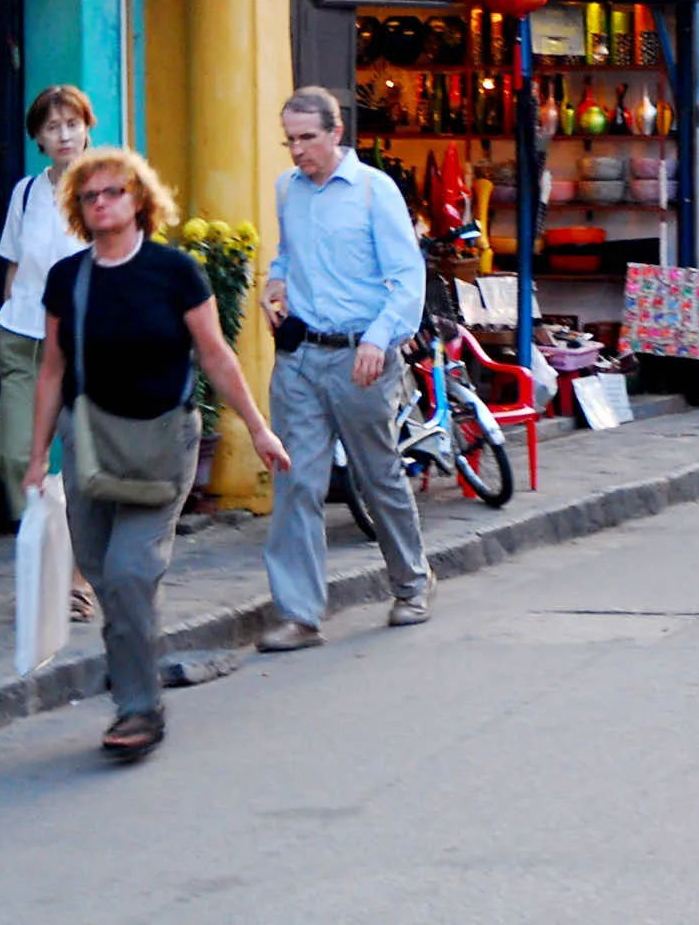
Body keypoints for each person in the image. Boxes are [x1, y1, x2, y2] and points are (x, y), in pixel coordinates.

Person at [23, 148, 287, 762]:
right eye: (89, 197)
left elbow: (216, 355)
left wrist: (258, 429)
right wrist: (37, 457)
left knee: (131, 573)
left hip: (163, 443)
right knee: (109, 577)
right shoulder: (69, 279)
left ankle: (138, 709)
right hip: (89, 445)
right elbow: (52, 371)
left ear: (140, 198)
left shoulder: (175, 272)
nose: (101, 204)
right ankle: (135, 669)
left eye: (113, 192)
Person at [256, 85, 433, 653]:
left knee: (377, 475)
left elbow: (407, 278)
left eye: (308, 138)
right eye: (290, 140)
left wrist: (379, 339)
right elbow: (288, 253)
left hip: (362, 355)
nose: (298, 150)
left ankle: (411, 584)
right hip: (301, 356)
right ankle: (299, 615)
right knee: (295, 483)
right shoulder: (287, 189)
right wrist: (275, 282)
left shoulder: (374, 190)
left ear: (336, 133)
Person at [0, 85, 96, 620]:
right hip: (23, 336)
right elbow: (14, 263)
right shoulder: (27, 193)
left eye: (72, 124)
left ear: (87, 128)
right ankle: (45, 557)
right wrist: (9, 310)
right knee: (14, 455)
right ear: (37, 137)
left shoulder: (104, 188)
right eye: (52, 127)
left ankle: (76, 579)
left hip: (83, 343)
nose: (64, 136)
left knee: (82, 465)